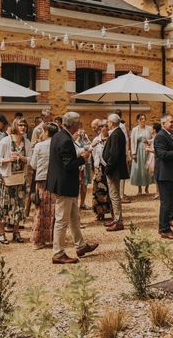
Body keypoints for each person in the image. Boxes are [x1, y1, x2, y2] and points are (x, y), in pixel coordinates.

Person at [47, 112, 99, 264]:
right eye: (79, 123)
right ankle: (58, 253)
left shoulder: (58, 135)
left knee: (74, 217)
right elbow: (68, 164)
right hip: (64, 185)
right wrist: (83, 158)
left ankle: (80, 246)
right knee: (62, 220)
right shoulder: (65, 139)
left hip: (64, 183)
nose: (80, 125)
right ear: (74, 125)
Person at [0, 119, 32, 244]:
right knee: (4, 205)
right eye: (20, 125)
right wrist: (9, 159)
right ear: (15, 126)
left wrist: (22, 158)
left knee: (18, 206)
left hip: (20, 178)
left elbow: (31, 160)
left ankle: (16, 232)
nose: (23, 127)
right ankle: (1, 233)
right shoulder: (5, 141)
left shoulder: (27, 142)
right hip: (5, 179)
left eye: (25, 125)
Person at [30, 122, 58, 250]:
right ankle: (51, 238)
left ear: (46, 132)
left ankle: (37, 239)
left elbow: (33, 164)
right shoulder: (58, 145)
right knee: (53, 210)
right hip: (54, 179)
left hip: (41, 178)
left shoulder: (39, 146)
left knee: (40, 209)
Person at [103, 113, 129, 232]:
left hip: (114, 170)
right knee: (114, 195)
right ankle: (116, 218)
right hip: (115, 169)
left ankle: (118, 221)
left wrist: (108, 168)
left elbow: (114, 154)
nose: (107, 124)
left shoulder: (116, 134)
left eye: (108, 122)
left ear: (112, 123)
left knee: (114, 195)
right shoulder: (117, 133)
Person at [91, 119, 112, 220]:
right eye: (103, 127)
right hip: (98, 168)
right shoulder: (96, 140)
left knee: (110, 189)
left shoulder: (111, 139)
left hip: (108, 166)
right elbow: (93, 154)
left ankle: (111, 211)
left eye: (106, 127)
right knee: (98, 191)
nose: (104, 129)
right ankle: (99, 213)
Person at [129, 114, 154, 195]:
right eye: (141, 119)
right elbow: (132, 142)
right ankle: (139, 189)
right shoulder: (134, 130)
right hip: (138, 150)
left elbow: (154, 138)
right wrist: (133, 153)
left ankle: (147, 188)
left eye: (144, 118)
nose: (143, 120)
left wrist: (149, 141)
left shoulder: (149, 128)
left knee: (147, 168)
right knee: (138, 169)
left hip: (147, 150)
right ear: (138, 120)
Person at [74, 128, 92, 209]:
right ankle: (75, 204)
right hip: (78, 165)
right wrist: (78, 137)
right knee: (77, 185)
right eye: (79, 133)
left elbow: (90, 146)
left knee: (85, 184)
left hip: (86, 164)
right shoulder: (74, 141)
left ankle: (82, 203)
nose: (81, 134)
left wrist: (85, 137)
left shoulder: (86, 139)